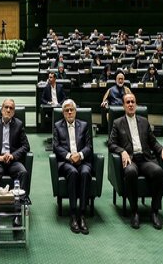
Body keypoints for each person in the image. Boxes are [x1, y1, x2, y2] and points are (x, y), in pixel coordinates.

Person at [108, 93, 163, 229]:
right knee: (130, 172)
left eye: (132, 102)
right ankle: (134, 211)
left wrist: (162, 150)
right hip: (131, 160)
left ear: (136, 104)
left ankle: (154, 212)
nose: (130, 104)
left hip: (145, 159)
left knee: (159, 172)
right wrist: (122, 152)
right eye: (128, 102)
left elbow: (153, 142)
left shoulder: (144, 121)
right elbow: (111, 144)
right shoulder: (118, 123)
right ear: (123, 105)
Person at [0, 98, 29, 228]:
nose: (8, 110)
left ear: (14, 112)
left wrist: (13, 156)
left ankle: (17, 213)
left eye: (11, 108)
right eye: (6, 107)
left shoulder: (19, 125)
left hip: (13, 161)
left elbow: (26, 146)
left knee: (23, 172)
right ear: (1, 109)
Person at [53, 99, 93, 234]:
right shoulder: (58, 126)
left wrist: (80, 155)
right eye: (66, 110)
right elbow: (56, 146)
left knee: (86, 172)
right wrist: (70, 156)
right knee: (73, 173)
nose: (69, 112)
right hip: (66, 162)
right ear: (63, 113)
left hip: (82, 161)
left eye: (72, 110)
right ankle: (73, 214)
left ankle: (82, 214)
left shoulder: (84, 125)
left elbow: (89, 146)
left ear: (75, 111)